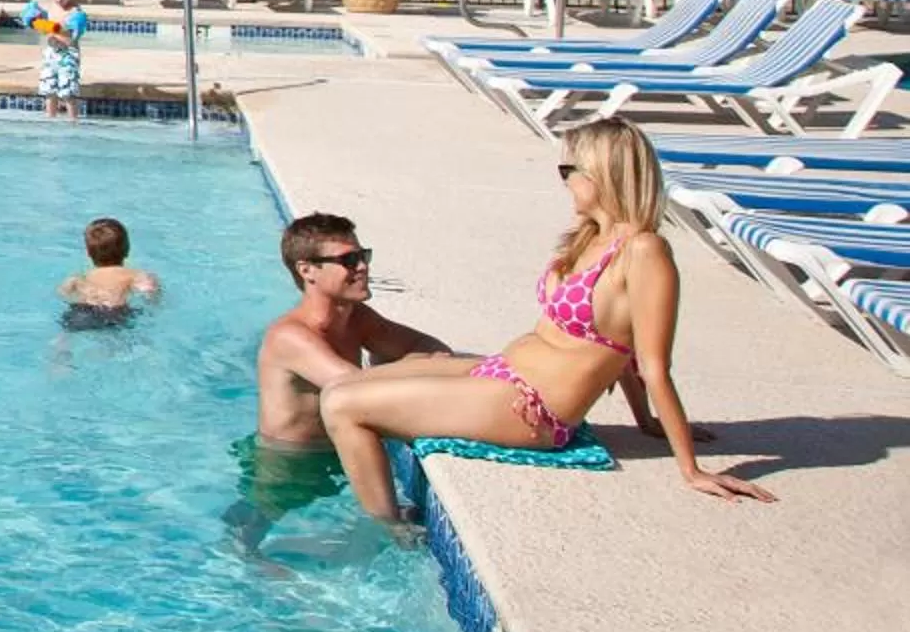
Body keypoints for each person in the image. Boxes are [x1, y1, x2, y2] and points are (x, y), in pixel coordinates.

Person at [320, 118, 775, 522]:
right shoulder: (590, 238)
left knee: (344, 408)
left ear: (601, 176)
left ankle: (389, 531)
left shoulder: (644, 252)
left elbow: (652, 363)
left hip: (535, 408)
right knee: (342, 387)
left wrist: (689, 468)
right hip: (506, 371)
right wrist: (644, 422)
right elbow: (625, 352)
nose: (563, 182)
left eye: (568, 171)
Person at [233, 212, 459, 547]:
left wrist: (412, 360)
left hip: (338, 453)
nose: (362, 267)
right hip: (288, 465)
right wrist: (418, 367)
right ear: (307, 270)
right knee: (245, 541)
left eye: (362, 256)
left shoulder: (357, 318)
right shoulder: (290, 336)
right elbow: (359, 391)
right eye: (348, 260)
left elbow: (432, 349)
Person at [58, 216, 161, 329]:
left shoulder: (81, 276)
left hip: (83, 310)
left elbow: (64, 292)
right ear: (127, 249)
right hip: (114, 312)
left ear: (88, 253)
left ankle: (61, 342)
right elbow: (148, 291)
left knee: (68, 330)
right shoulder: (132, 275)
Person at [18, 0, 89, 117]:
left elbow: (74, 32)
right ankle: (50, 119)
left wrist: (53, 27)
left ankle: (73, 122)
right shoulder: (49, 5)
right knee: (49, 91)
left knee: (68, 93)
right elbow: (27, 12)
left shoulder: (75, 11)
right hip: (51, 52)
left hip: (68, 54)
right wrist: (32, 20)